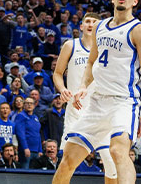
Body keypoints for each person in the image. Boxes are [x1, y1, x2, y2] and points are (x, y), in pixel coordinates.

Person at [54, 0, 141, 184]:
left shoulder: (139, 31)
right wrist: (84, 85)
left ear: (134, 2)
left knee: (119, 152)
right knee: (68, 160)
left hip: (123, 102)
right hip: (96, 101)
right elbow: (92, 62)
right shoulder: (100, 27)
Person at [53, 11, 120, 181]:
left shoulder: (108, 50)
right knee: (68, 161)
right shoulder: (71, 45)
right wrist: (62, 90)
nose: (91, 24)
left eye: (94, 22)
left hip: (100, 111)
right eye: (87, 21)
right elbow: (58, 73)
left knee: (111, 163)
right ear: (81, 26)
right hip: (77, 110)